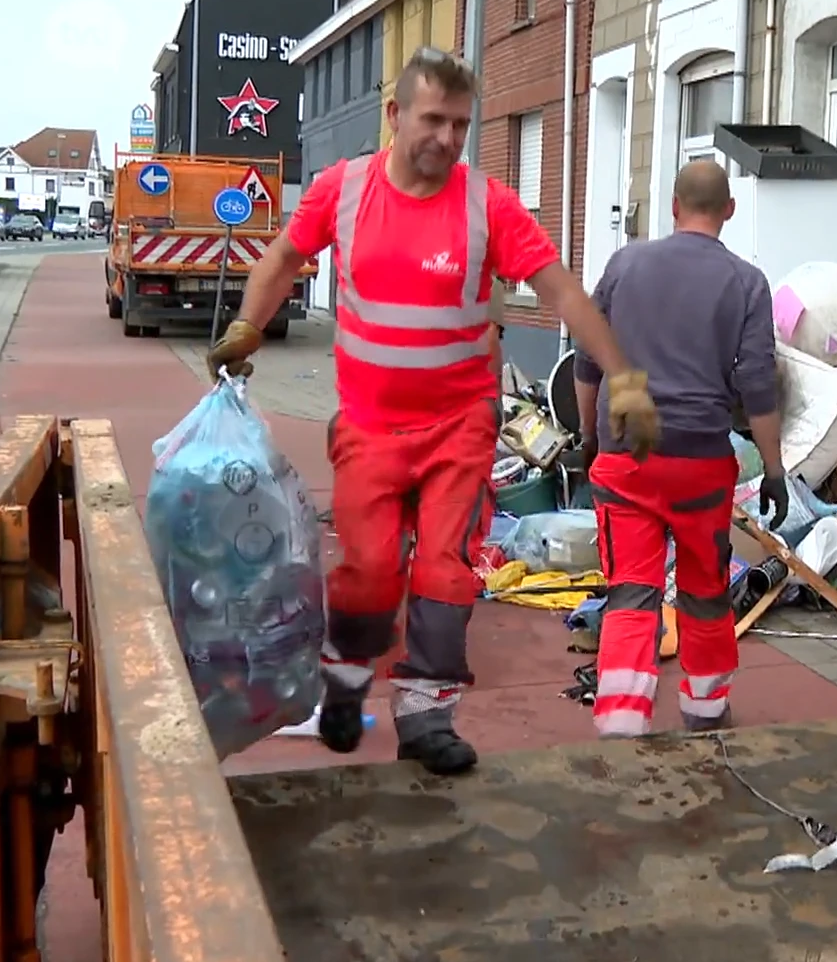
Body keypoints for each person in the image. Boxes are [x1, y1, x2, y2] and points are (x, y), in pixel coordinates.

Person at [205, 47, 662, 774]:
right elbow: (284, 259)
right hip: (371, 428)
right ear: (394, 117)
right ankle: (348, 679)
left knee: (446, 573)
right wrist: (248, 326)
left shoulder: (489, 206)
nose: (448, 139)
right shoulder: (342, 191)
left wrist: (626, 377)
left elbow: (563, 293)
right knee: (370, 570)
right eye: (433, 120)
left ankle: (427, 714)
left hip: (459, 427)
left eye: (460, 124)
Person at [574, 159, 790, 738]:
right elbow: (757, 385)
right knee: (704, 589)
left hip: (628, 456)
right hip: (701, 464)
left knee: (631, 593)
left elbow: (587, 359)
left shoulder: (626, 263)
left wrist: (590, 439)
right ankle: (705, 707)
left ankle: (621, 722)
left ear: (673, 206)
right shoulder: (747, 282)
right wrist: (773, 470)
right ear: (730, 210)